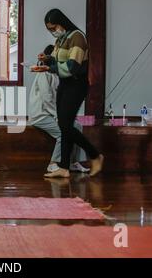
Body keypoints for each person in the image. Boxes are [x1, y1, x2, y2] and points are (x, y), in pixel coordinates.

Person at [33, 9, 104, 178]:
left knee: (65, 126)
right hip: (65, 84)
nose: (53, 31)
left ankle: (95, 155)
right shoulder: (62, 39)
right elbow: (59, 60)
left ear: (62, 22)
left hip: (76, 85)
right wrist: (48, 59)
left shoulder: (77, 37)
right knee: (65, 127)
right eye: (49, 29)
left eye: (54, 27)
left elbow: (72, 67)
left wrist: (48, 68)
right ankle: (64, 168)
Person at [29, 46, 89, 174]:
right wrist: (58, 115)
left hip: (51, 113)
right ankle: (53, 163)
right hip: (41, 114)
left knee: (77, 126)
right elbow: (47, 98)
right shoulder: (43, 73)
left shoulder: (57, 73)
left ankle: (72, 162)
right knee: (64, 132)